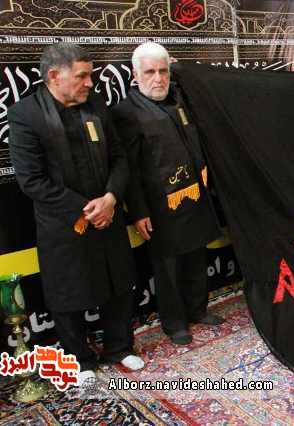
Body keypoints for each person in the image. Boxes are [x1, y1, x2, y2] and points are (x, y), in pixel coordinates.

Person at [8, 43, 144, 386]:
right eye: (82, 76)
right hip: (64, 222)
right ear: (55, 76)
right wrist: (87, 209)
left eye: (91, 75)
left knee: (117, 281)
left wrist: (110, 198)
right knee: (67, 292)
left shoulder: (95, 103)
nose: (89, 83)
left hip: (108, 213)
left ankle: (119, 347)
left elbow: (119, 157)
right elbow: (31, 180)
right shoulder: (26, 114)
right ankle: (79, 359)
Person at [112, 42, 225, 346]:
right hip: (159, 204)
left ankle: (198, 309)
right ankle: (174, 323)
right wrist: (138, 212)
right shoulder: (126, 112)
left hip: (193, 196)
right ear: (135, 75)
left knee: (196, 255)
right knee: (169, 268)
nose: (158, 78)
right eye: (150, 72)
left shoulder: (178, 100)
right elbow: (129, 169)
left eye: (163, 71)